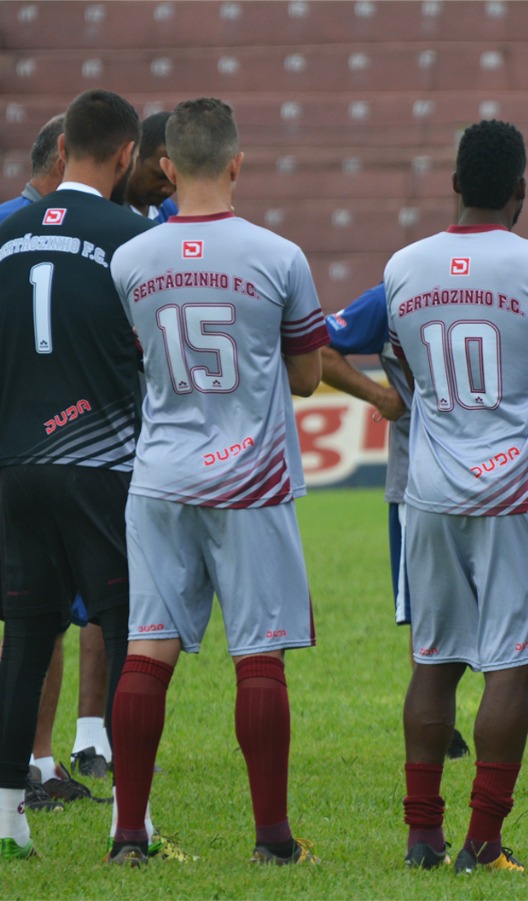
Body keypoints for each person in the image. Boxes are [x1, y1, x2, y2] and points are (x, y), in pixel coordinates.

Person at [107, 96, 328, 866]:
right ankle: (272, 839)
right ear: (238, 162)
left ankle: (129, 836)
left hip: (160, 473)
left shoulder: (130, 258)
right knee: (259, 654)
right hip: (251, 476)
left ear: (164, 166)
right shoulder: (278, 255)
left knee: (147, 649)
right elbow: (306, 377)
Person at [385, 119, 528, 874]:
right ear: (521, 189)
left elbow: (402, 372)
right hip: (522, 488)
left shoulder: (404, 266)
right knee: (511, 665)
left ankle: (421, 837)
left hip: (434, 489)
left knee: (435, 659)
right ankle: (483, 842)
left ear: (453, 182)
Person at [0, 88, 155, 860]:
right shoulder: (133, 238)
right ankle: (132, 825)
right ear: (127, 155)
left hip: (16, 464)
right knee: (126, 632)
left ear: (61, 152)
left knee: (24, 637)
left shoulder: (6, 232)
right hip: (103, 465)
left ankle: (4, 821)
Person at [320, 286, 474, 761]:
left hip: (484, 478)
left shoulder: (409, 287)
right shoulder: (395, 292)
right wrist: (380, 394)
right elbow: (319, 347)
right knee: (432, 609)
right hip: (432, 478)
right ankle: (443, 730)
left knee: (515, 606)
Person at [123, 111, 178, 223]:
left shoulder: (168, 209)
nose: (168, 190)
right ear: (133, 157)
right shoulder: (107, 211)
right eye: (160, 177)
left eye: (176, 181)